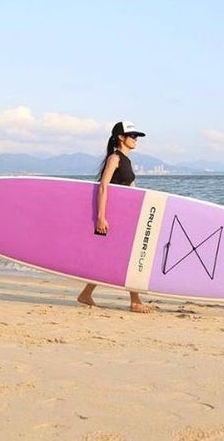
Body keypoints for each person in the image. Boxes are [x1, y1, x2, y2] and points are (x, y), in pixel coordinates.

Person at [77, 121, 153, 313]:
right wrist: (101, 217)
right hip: (112, 217)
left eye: (136, 136)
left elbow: (132, 192)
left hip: (124, 218)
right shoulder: (114, 158)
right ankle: (135, 301)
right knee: (130, 257)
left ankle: (86, 293)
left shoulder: (127, 161)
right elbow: (103, 187)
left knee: (110, 258)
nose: (136, 140)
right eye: (132, 136)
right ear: (121, 137)